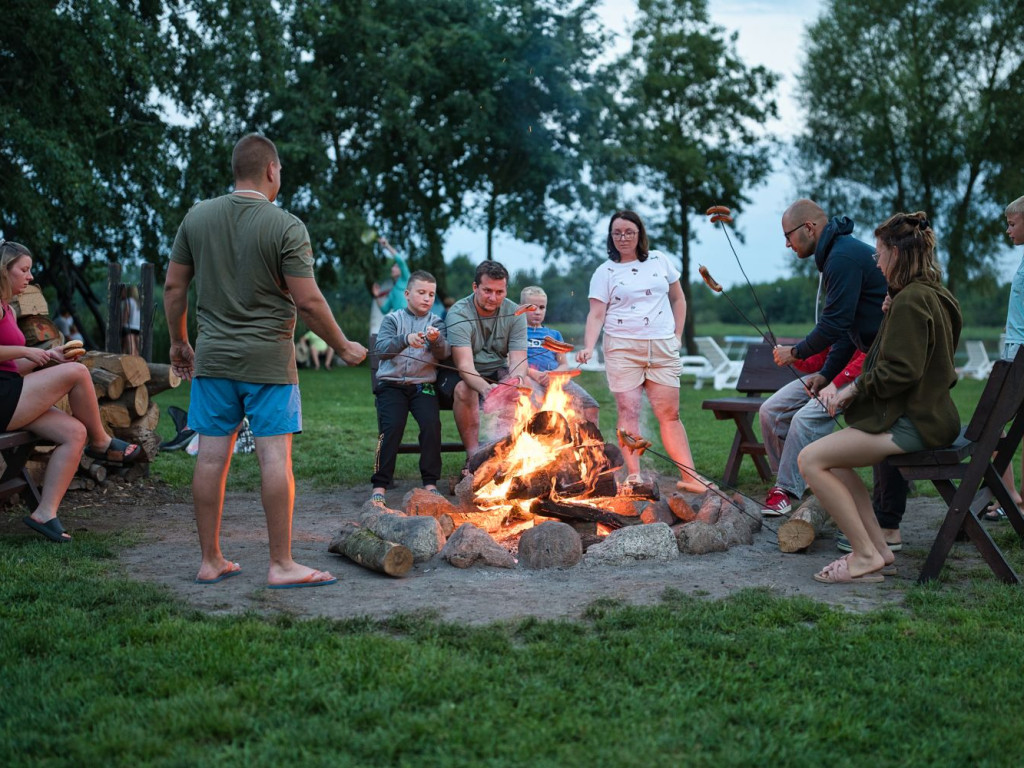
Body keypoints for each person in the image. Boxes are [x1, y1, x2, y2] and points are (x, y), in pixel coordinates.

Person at [164, 133, 367, 588]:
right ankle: (281, 564)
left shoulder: (197, 217)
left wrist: (179, 341)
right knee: (275, 460)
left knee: (211, 459)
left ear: (237, 169)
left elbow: (174, 288)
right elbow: (310, 302)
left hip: (213, 360)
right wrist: (344, 346)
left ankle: (210, 560)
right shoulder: (286, 226)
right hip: (270, 364)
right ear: (272, 170)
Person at [799, 212, 962, 584]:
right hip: (933, 416)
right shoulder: (933, 293)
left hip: (917, 423)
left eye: (879, 253)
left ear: (896, 255)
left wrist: (848, 392)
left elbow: (901, 370)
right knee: (832, 460)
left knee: (810, 459)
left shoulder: (910, 301)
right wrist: (892, 308)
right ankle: (878, 546)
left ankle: (864, 556)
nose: (876, 261)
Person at [772, 199, 910, 550]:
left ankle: (885, 527)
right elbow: (850, 329)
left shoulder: (843, 258)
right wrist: (827, 374)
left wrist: (796, 352)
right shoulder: (839, 254)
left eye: (788, 236)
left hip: (886, 365)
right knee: (776, 412)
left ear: (809, 228)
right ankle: (796, 490)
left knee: (879, 433)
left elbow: (834, 323)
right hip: (873, 356)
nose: (787, 245)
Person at [1, 240, 142, 543]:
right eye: (23, 270)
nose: (29, 277)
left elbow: (11, 370)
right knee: (78, 373)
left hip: (12, 391)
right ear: (4, 270)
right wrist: (25, 351)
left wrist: (49, 359)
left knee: (75, 432)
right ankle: (102, 442)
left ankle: (44, 512)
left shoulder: (8, 311)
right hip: (3, 400)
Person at [576, 210, 706, 492]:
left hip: (662, 347)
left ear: (639, 234)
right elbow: (596, 315)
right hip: (622, 347)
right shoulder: (605, 271)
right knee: (629, 410)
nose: (623, 237)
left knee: (669, 413)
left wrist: (678, 337)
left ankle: (690, 477)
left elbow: (678, 298)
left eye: (629, 232)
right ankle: (634, 475)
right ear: (611, 237)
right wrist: (588, 346)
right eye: (617, 233)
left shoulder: (660, 260)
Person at [370, 271, 451, 505]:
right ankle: (380, 485)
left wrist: (436, 341)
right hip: (391, 386)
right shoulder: (393, 320)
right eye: (421, 292)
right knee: (391, 427)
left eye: (431, 294)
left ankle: (430, 483)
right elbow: (382, 349)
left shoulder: (436, 322)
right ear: (407, 294)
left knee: (431, 425)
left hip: (422, 386)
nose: (427, 298)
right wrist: (405, 339)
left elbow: (444, 353)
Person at [759, 348, 865, 515]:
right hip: (830, 375)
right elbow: (821, 360)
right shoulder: (833, 326)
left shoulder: (868, 325)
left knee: (803, 419)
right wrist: (795, 357)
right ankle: (793, 480)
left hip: (858, 377)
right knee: (769, 411)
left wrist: (835, 383)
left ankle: (785, 489)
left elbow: (868, 358)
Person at [441, 260, 528, 458]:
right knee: (466, 389)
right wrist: (489, 391)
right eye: (487, 291)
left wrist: (516, 383)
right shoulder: (459, 313)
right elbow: (464, 366)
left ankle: (501, 454)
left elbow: (519, 361)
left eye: (500, 292)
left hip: (495, 369)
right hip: (459, 373)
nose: (493, 298)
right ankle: (473, 458)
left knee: (522, 388)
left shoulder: (516, 313)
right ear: (475, 287)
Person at [984, 195, 1024, 520]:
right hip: (1014, 348)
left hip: (1020, 355)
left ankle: (1008, 495)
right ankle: (1008, 494)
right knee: (997, 423)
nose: (1008, 231)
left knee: (990, 421)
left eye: (1012, 224)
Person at [520, 285, 599, 425]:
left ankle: (591, 444)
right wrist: (536, 374)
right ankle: (537, 442)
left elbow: (564, 365)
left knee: (590, 406)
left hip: (555, 379)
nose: (537, 312)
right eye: (532, 307)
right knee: (536, 406)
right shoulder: (517, 333)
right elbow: (513, 362)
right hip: (530, 378)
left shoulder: (554, 335)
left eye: (542, 307)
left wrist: (553, 375)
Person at [376, 237, 410, 314]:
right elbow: (384, 310)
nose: (392, 269)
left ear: (401, 270)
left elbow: (400, 261)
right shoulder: (392, 292)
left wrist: (387, 246)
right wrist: (376, 296)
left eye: (396, 266)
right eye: (393, 266)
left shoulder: (406, 279)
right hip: (398, 324)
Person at [121, 285, 141, 356]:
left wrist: (122, 325)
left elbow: (126, 314)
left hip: (129, 328)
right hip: (138, 328)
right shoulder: (138, 302)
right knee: (136, 351)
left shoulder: (129, 301)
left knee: (130, 350)